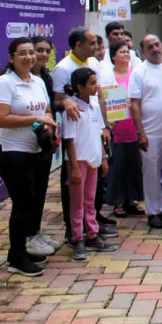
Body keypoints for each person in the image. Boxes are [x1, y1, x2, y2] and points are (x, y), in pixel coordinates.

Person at [0, 37, 59, 276]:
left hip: (35, 150)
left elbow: (46, 109)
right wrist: (35, 119)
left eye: (31, 53)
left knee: (32, 201)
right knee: (23, 202)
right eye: (22, 53)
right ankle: (16, 257)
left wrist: (47, 122)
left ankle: (21, 250)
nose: (29, 57)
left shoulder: (38, 81)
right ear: (11, 58)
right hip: (10, 151)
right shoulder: (4, 83)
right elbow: (0, 118)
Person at [51, 27, 118, 240]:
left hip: (94, 129)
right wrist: (67, 102)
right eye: (91, 43)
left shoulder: (94, 63)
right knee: (74, 182)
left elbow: (100, 97)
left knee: (95, 182)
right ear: (78, 45)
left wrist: (105, 126)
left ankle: (92, 223)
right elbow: (57, 100)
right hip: (76, 131)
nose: (96, 47)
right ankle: (73, 230)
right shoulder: (63, 68)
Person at [62, 67, 116, 260]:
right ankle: (77, 238)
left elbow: (99, 134)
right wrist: (74, 167)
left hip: (93, 160)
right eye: (92, 83)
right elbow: (69, 140)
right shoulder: (73, 110)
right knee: (77, 203)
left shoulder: (93, 106)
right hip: (79, 162)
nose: (96, 87)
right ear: (79, 87)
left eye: (96, 82)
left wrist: (102, 158)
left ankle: (92, 234)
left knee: (90, 200)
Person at [129, 34, 162, 229]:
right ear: (143, 51)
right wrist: (140, 132)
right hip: (150, 132)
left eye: (157, 44)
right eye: (149, 46)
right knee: (151, 173)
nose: (155, 48)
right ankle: (153, 212)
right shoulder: (139, 72)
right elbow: (134, 104)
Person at [26, 36, 62, 257]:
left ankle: (36, 232)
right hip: (22, 145)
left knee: (40, 190)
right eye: (38, 50)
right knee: (27, 193)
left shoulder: (45, 78)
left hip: (43, 142)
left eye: (47, 51)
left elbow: (50, 105)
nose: (43, 55)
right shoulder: (10, 79)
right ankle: (27, 238)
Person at [105, 41, 144, 218]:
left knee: (134, 164)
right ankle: (118, 201)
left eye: (128, 52)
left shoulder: (135, 74)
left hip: (134, 125)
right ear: (113, 56)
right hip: (117, 126)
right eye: (122, 52)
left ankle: (132, 200)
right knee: (118, 165)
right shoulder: (108, 76)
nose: (126, 55)